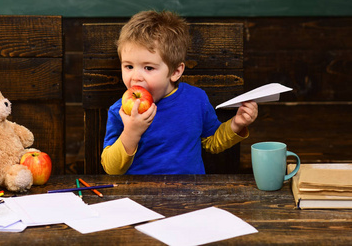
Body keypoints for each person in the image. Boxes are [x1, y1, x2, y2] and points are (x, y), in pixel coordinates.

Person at [101, 10, 258, 175]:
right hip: (140, 196)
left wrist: (237, 124)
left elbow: (212, 142)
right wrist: (131, 132)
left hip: (189, 194)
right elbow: (111, 169)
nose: (135, 77)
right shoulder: (120, 111)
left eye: (148, 67)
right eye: (128, 66)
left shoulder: (196, 100)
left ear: (176, 71)